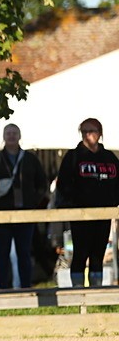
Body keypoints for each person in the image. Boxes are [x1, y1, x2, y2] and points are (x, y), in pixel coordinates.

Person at [0, 123, 48, 289]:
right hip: (1, 214)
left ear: (19, 136)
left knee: (24, 252)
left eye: (14, 133)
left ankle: (25, 286)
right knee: (2, 253)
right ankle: (2, 287)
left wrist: (34, 202)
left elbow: (42, 184)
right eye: (8, 133)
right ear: (3, 136)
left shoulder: (30, 159)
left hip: (25, 213)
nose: (11, 136)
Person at [55, 117, 119, 287]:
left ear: (100, 134)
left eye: (92, 131)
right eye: (84, 131)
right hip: (80, 213)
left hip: (104, 213)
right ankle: (77, 292)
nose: (88, 135)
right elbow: (63, 184)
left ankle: (96, 290)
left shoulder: (109, 158)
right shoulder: (74, 157)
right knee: (80, 252)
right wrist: (70, 204)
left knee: (98, 253)